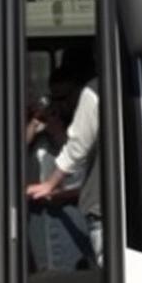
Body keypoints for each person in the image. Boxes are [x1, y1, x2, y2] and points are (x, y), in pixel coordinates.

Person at [27, 75, 101, 263]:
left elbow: (78, 158)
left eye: (64, 98)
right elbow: (12, 152)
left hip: (74, 206)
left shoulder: (87, 121)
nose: (59, 106)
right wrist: (35, 122)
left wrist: (59, 134)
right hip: (42, 205)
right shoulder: (43, 127)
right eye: (54, 99)